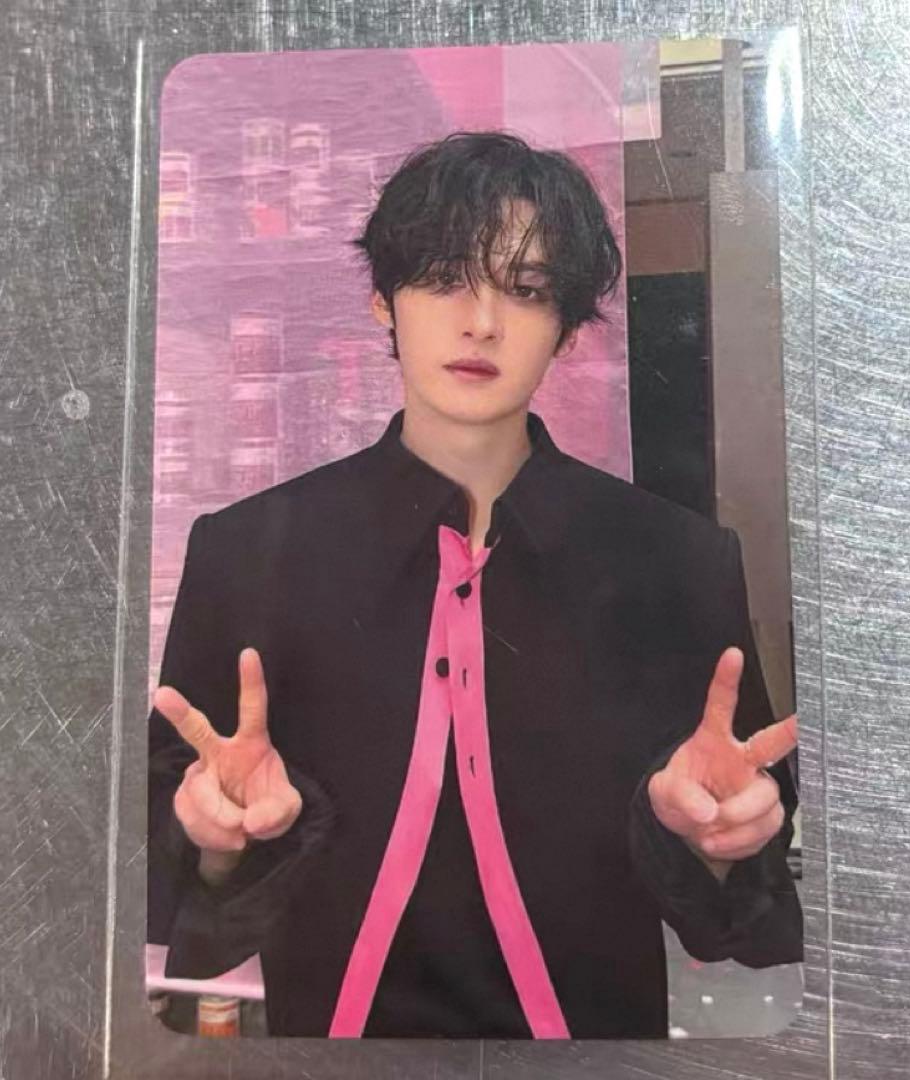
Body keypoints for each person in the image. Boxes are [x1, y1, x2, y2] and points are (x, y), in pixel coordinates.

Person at [148, 131, 802, 1040]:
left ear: (566, 328)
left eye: (526, 290)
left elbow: (741, 866)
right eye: (444, 277)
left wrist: (716, 837)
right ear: (383, 300)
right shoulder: (247, 550)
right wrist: (215, 837)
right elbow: (174, 861)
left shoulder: (677, 559)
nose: (482, 321)